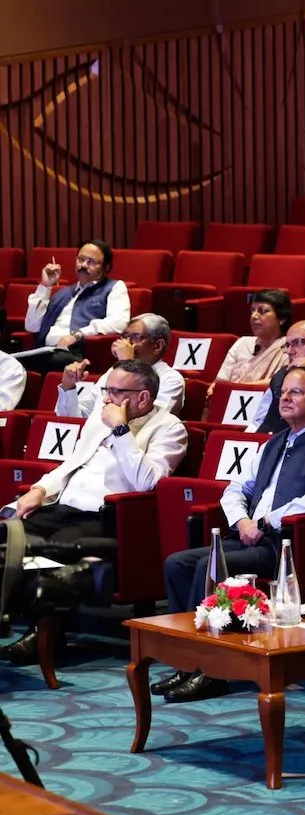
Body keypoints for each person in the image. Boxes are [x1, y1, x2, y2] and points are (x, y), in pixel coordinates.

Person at [156, 366, 305, 702]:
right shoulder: (272, 443)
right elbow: (235, 488)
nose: (285, 398)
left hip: (281, 545)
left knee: (210, 568)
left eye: (296, 392)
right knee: (178, 563)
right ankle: (188, 661)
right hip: (248, 534)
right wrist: (243, 521)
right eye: (284, 392)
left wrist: (265, 523)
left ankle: (213, 670)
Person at [0, 361, 187, 665]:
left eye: (116, 392)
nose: (107, 399)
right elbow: (70, 465)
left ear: (142, 397)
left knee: (49, 549)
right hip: (62, 507)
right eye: (106, 390)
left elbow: (147, 482)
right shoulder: (97, 421)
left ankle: (44, 636)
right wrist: (39, 489)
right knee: (8, 534)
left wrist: (121, 430)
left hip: (107, 518)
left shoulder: (169, 428)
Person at [21, 240, 130, 374]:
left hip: (77, 353)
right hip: (46, 350)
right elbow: (32, 326)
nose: (83, 265)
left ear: (106, 268)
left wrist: (77, 335)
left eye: (91, 262)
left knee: (37, 361)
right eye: (81, 259)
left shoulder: (114, 287)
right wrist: (45, 286)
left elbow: (118, 323)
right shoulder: (62, 293)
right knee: (9, 361)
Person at [56, 314, 185, 418]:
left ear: (157, 346)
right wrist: (68, 387)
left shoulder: (171, 379)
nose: (125, 343)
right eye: (124, 336)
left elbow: (148, 422)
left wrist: (128, 365)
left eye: (135, 337)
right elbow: (79, 417)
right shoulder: (112, 372)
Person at [213, 288, 291, 386]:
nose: (254, 316)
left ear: (282, 318)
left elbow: (281, 383)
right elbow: (221, 380)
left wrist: (238, 389)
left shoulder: (289, 349)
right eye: (252, 311)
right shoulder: (242, 343)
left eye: (262, 311)